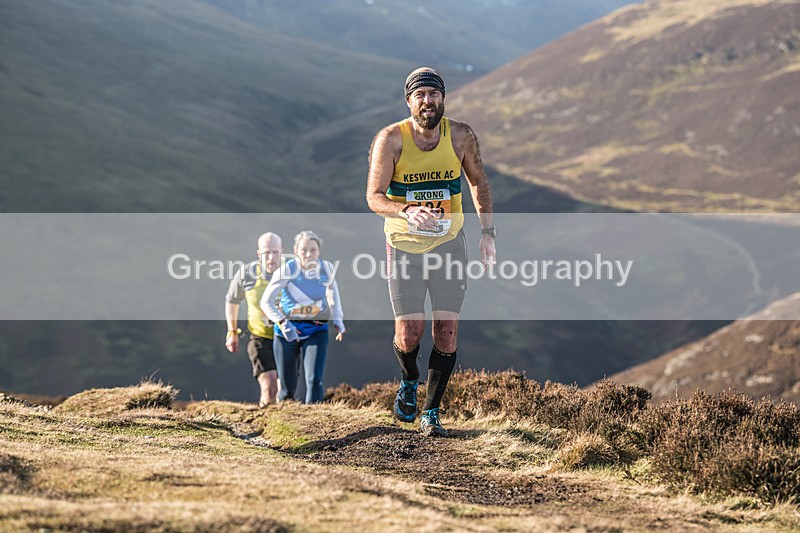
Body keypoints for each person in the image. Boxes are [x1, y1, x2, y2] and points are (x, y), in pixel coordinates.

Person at [366, 67, 496, 436]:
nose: (428, 101)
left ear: (443, 98)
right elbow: (374, 196)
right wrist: (407, 210)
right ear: (409, 101)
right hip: (404, 246)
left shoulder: (460, 136)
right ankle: (409, 379)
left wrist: (488, 233)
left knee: (446, 331)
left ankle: (431, 411)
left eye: (433, 94)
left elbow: (478, 183)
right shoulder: (391, 139)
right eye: (420, 95)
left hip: (448, 245)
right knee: (409, 333)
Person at [260, 230, 345, 404]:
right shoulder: (287, 269)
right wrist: (283, 322)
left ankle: (313, 421)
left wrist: (338, 320)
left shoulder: (326, 268)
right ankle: (284, 422)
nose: (308, 254)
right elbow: (265, 302)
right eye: (303, 250)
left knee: (314, 380)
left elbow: (333, 294)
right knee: (287, 387)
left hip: (316, 330)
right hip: (287, 333)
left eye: (313, 250)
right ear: (295, 250)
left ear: (319, 251)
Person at [225, 232, 283, 408]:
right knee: (269, 383)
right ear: (259, 254)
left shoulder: (292, 271)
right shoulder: (247, 273)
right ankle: (266, 417)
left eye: (275, 252)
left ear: (282, 252)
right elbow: (232, 301)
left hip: (287, 336)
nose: (271, 258)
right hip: (259, 336)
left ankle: (281, 425)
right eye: (266, 253)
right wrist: (232, 332)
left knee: (284, 388)